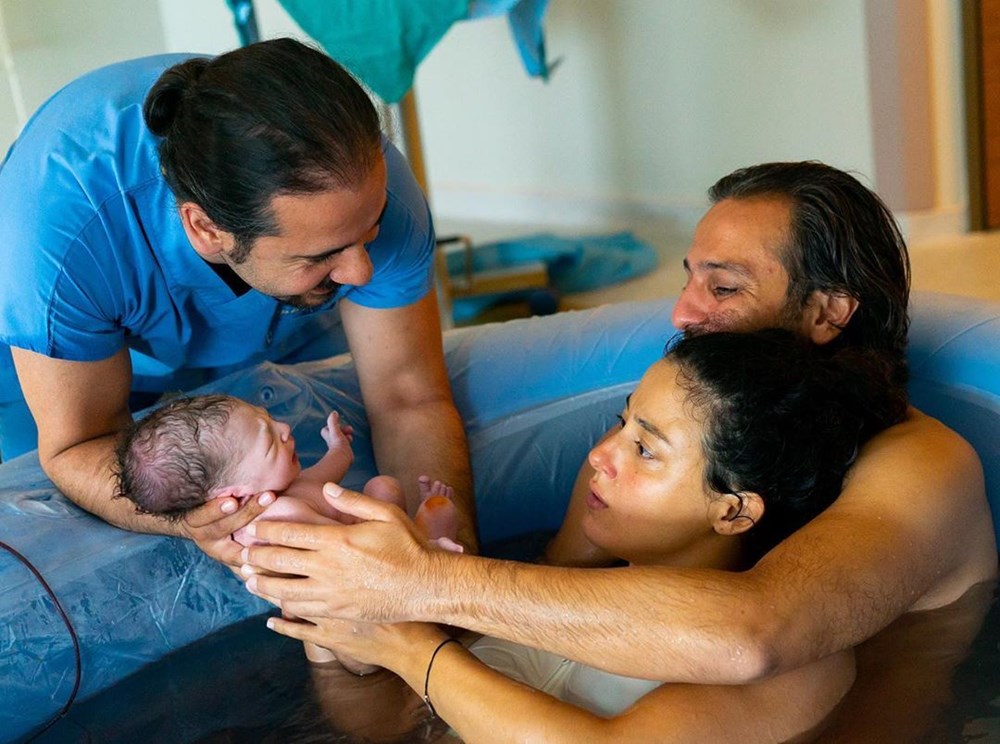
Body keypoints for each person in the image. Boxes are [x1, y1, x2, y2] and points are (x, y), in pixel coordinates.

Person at [240, 161, 997, 689]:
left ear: (830, 311)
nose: (682, 313)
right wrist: (359, 629)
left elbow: (755, 634)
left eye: (723, 286)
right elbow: (547, 589)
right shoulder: (651, 438)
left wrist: (420, 584)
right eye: (689, 277)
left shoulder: (919, 466)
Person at [260, 329, 906, 742]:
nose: (600, 455)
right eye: (620, 424)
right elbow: (391, 727)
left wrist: (409, 649)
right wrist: (331, 625)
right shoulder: (555, 595)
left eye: (645, 449)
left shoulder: (797, 667)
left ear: (735, 512)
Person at [0, 38, 475, 559]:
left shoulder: (361, 184)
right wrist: (195, 524)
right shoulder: (62, 238)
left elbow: (408, 397)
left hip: (268, 315)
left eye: (372, 231)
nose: (362, 271)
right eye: (322, 254)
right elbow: (77, 444)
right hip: (67, 359)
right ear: (206, 229)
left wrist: (446, 581)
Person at [112, 393, 461, 550]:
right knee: (380, 500)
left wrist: (338, 446)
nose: (284, 427)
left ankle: (420, 541)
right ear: (231, 494)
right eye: (269, 439)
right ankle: (423, 549)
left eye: (267, 416)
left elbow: (330, 470)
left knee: (383, 487)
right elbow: (345, 547)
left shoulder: (289, 486)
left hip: (367, 545)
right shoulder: (274, 519)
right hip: (353, 580)